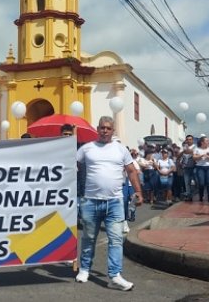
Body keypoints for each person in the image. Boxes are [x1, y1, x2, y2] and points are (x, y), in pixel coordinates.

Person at [75, 116, 143, 291]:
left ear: (113, 131)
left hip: (114, 202)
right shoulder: (86, 149)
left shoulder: (121, 150)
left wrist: (138, 192)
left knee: (116, 240)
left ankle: (115, 275)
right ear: (97, 129)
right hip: (90, 201)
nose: (104, 130)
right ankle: (84, 269)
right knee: (89, 238)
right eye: (102, 128)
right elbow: (72, 168)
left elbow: (131, 171)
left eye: (108, 128)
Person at [193, 137, 209, 203]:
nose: (208, 142)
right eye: (206, 141)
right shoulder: (197, 149)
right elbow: (194, 158)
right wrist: (202, 155)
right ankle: (201, 196)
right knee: (201, 183)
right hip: (200, 167)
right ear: (202, 142)